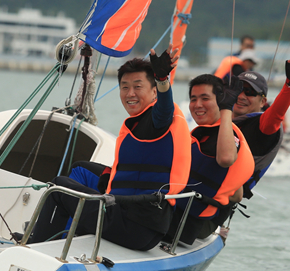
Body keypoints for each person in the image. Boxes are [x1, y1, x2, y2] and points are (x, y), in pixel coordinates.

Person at [28, 48, 191, 251]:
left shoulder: (157, 121)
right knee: (81, 169)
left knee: (58, 187)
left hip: (133, 227)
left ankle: (37, 245)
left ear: (154, 91)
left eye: (138, 86)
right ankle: (66, 233)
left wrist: (162, 79)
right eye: (125, 87)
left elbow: (164, 111)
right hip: (141, 223)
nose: (130, 93)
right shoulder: (140, 120)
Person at [170, 74, 254, 242]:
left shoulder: (229, 137)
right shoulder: (201, 134)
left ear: (221, 101)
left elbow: (226, 159)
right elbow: (237, 195)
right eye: (193, 99)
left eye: (205, 98)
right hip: (178, 210)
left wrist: (226, 109)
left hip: (193, 221)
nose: (197, 104)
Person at [233, 48, 290, 199]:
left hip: (217, 200)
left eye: (250, 92)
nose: (241, 96)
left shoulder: (263, 126)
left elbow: (276, 114)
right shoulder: (222, 116)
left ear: (263, 102)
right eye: (238, 89)